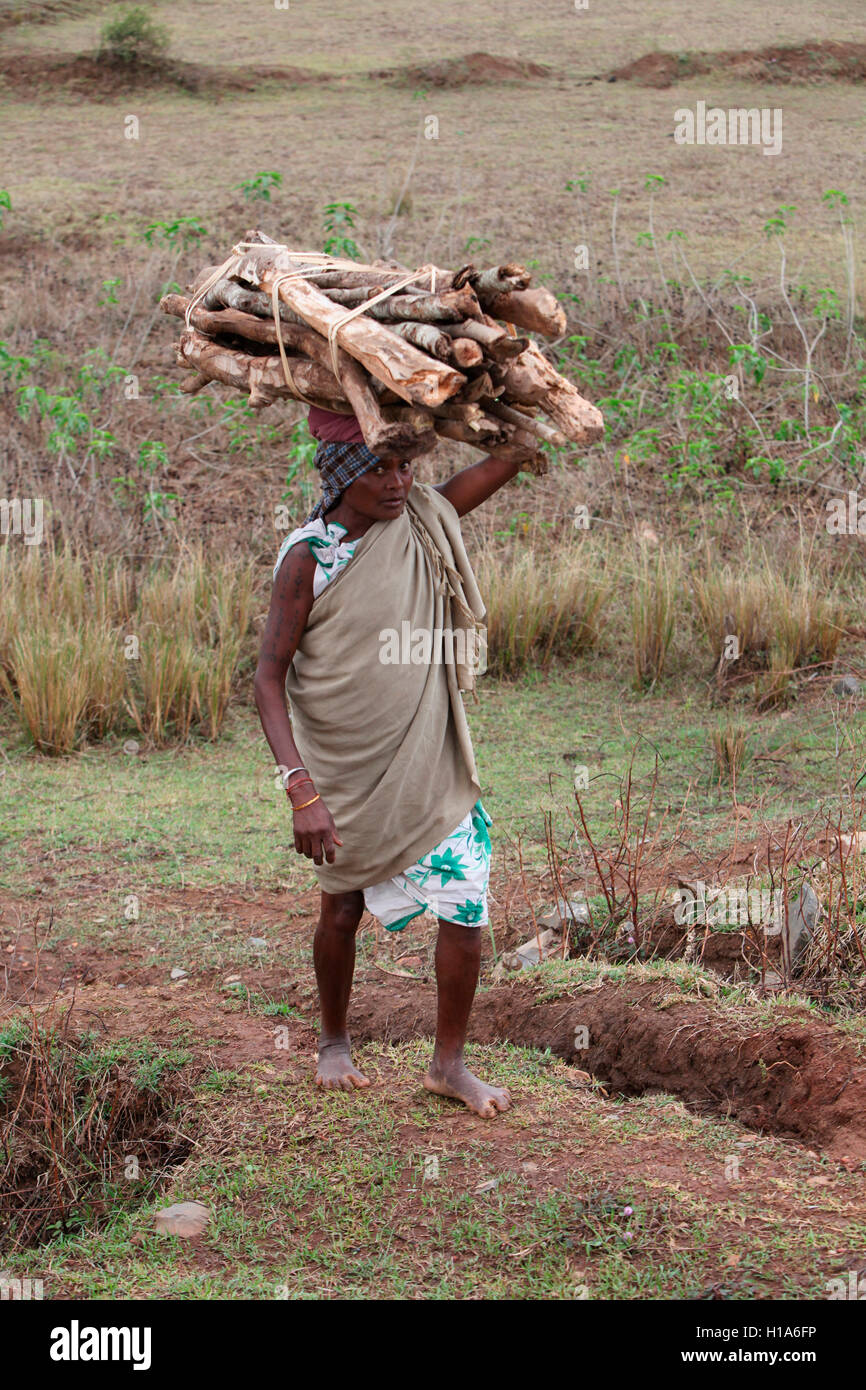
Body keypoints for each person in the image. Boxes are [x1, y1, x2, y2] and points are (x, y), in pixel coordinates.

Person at [254, 407, 538, 1117]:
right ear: (342, 473)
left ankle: (448, 1064)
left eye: (406, 466)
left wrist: (509, 412)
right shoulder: (309, 557)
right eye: (380, 468)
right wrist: (301, 791)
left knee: (466, 900)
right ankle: (332, 1043)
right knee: (343, 904)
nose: (397, 481)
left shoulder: (420, 518)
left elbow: (497, 465)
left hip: (426, 755)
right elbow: (267, 678)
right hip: (342, 763)